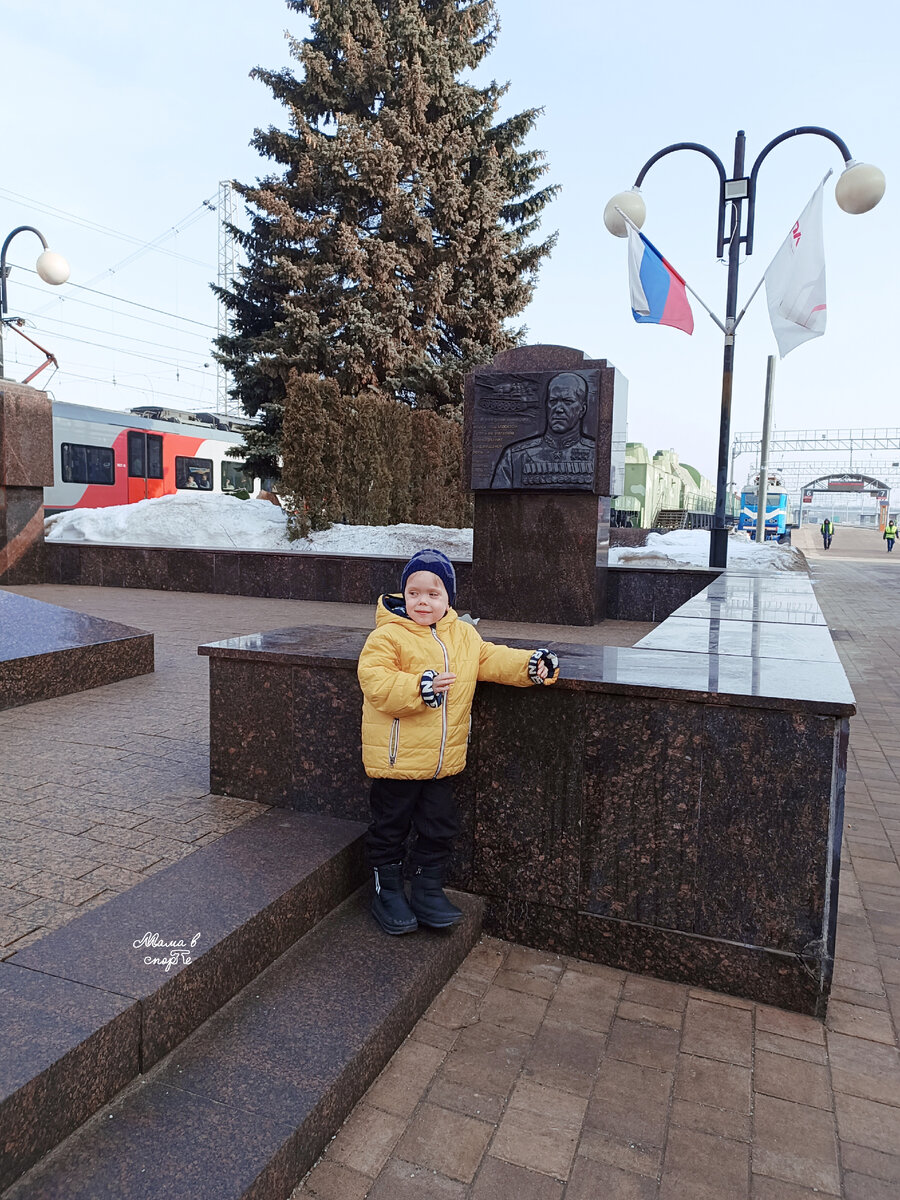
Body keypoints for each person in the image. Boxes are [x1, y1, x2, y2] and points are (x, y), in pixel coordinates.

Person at [357, 548, 559, 936]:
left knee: (439, 826)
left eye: (433, 594)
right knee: (390, 827)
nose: (422, 601)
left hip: (441, 762)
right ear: (403, 595)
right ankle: (387, 891)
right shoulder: (387, 636)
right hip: (397, 761)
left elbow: (491, 659)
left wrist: (531, 666)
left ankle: (427, 889)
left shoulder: (463, 635)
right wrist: (421, 686)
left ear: (449, 598)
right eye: (414, 593)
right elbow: (376, 682)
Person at [491, 372, 595, 487]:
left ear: (582, 409)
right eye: (553, 402)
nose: (558, 409)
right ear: (546, 405)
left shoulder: (596, 455)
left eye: (568, 402)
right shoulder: (515, 456)